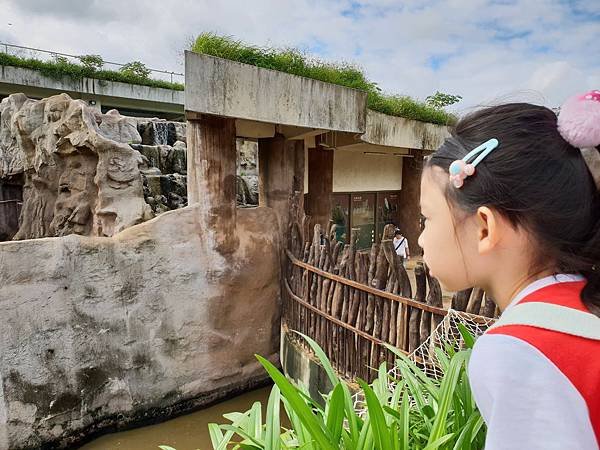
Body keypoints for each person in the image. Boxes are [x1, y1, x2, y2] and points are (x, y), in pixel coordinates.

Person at [418, 91, 600, 449]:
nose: (421, 238)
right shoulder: (585, 305)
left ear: (484, 227)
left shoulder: (518, 352)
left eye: (427, 218)